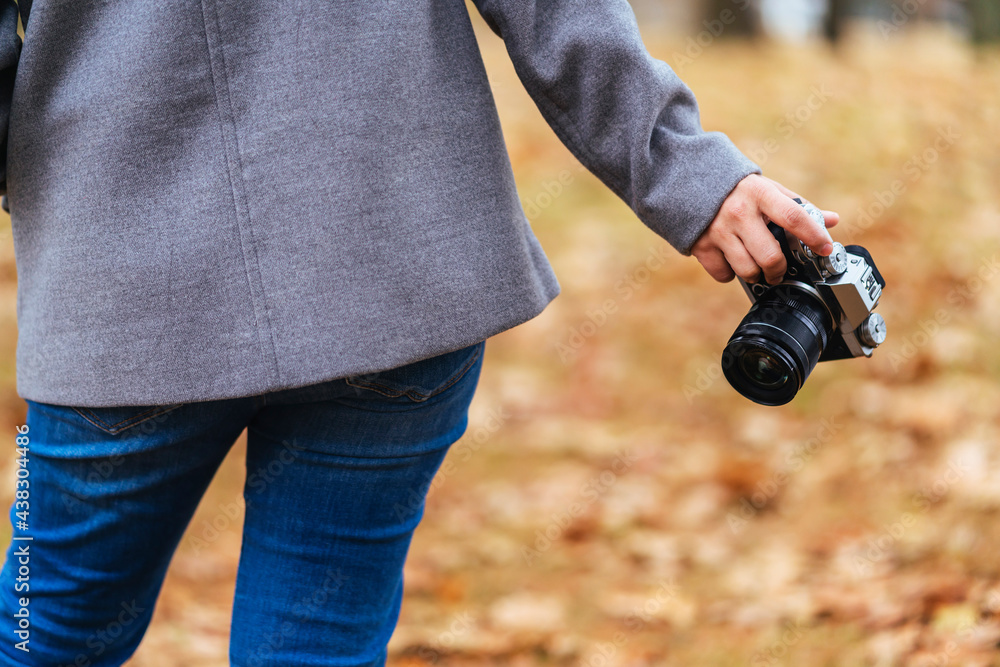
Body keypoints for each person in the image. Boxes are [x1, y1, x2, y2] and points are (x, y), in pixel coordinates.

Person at [0, 0, 838, 664]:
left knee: (41, 629)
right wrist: (691, 174)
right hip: (392, 257)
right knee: (314, 649)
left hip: (120, 280)